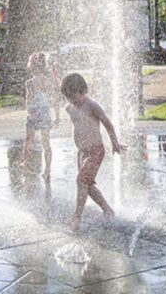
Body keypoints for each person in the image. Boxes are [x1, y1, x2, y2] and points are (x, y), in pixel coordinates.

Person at [60, 73, 125, 231]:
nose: (72, 101)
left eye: (74, 96)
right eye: (68, 97)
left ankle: (76, 217)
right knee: (87, 185)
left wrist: (114, 142)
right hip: (82, 152)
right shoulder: (70, 108)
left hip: (96, 151)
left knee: (81, 181)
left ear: (83, 91)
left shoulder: (92, 106)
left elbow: (108, 124)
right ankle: (108, 210)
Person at [24, 52, 59, 179]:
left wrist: (30, 112)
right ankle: (45, 169)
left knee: (31, 140)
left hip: (37, 113)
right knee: (44, 142)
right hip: (41, 113)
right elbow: (54, 100)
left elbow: (29, 100)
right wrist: (57, 116)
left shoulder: (34, 82)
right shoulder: (41, 81)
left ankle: (28, 164)